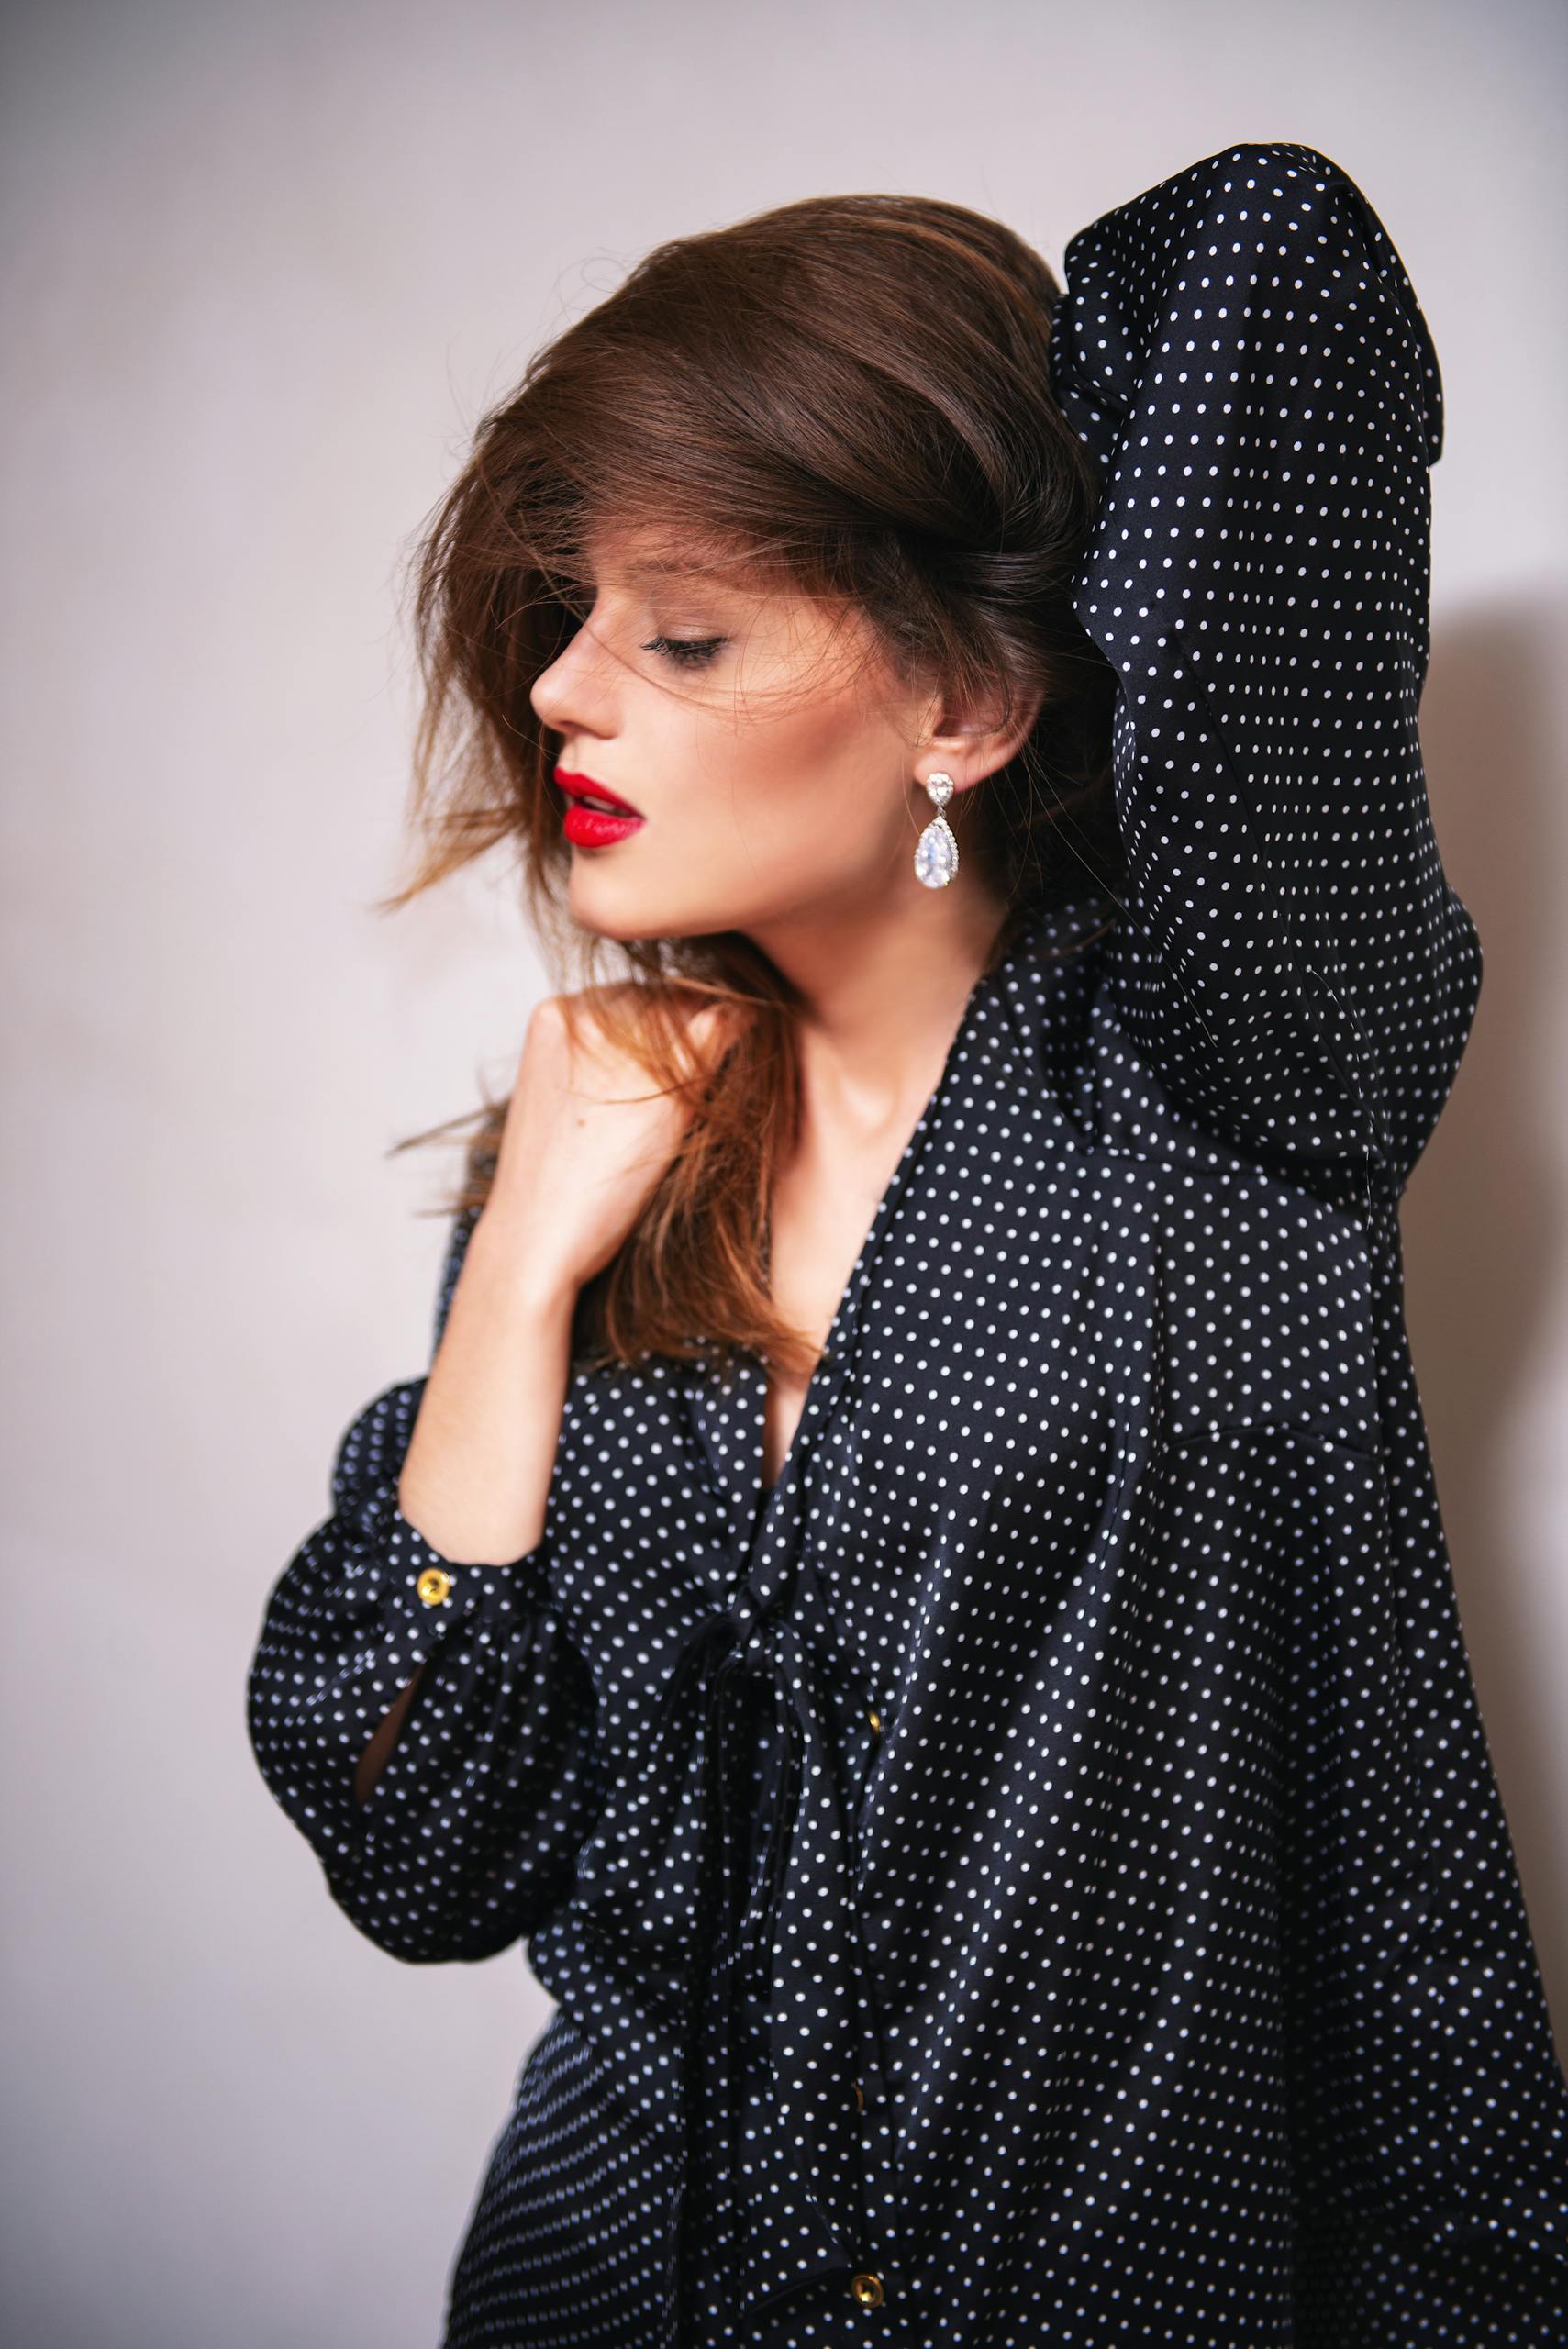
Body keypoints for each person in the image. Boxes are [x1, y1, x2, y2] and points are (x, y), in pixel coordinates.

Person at [245, 139, 1568, 2347]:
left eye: (683, 629)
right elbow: (419, 1849)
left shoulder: (1235, 1093)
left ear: (963, 706)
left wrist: (1001, 436)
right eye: (575, 613)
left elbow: (1270, 274)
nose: (566, 688)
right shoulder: (595, 1171)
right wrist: (524, 1271)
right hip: (600, 2283)